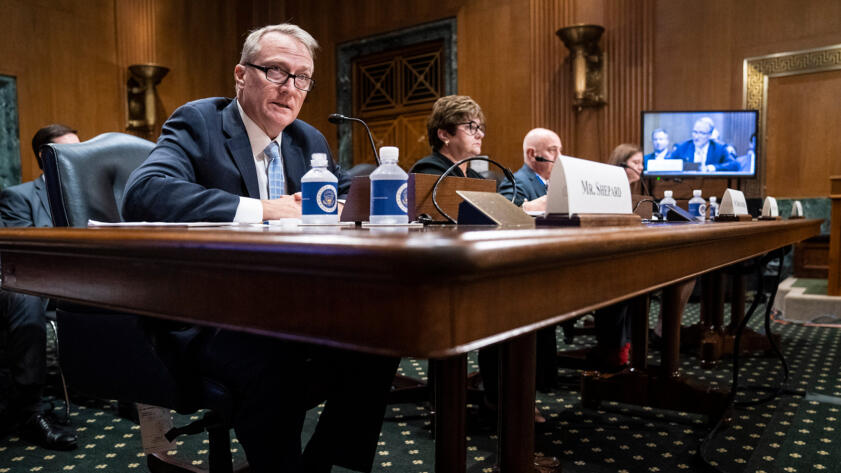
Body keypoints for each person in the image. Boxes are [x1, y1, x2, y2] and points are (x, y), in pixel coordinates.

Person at [121, 23, 398, 472]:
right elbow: (145, 193)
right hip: (204, 314)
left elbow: (346, 198)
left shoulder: (308, 140)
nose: (290, 88)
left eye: (302, 78)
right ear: (240, 75)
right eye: (276, 71)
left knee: (383, 331)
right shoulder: (199, 123)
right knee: (277, 352)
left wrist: (351, 204)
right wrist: (264, 209)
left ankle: (322, 464)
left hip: (287, 304)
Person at [0, 124, 80, 227]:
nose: (78, 155)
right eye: (70, 150)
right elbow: (23, 241)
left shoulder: (91, 193)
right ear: (45, 156)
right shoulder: (18, 197)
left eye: (79, 149)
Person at [497, 127, 562, 213]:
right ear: (531, 154)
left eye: (560, 150)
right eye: (553, 150)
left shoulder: (554, 183)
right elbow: (504, 212)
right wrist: (528, 207)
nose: (560, 157)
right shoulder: (516, 182)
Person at [670, 117, 738, 172]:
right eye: (695, 132)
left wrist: (711, 168)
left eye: (702, 133)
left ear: (710, 135)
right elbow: (668, 163)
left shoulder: (719, 149)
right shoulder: (683, 147)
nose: (696, 137)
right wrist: (694, 167)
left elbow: (734, 165)